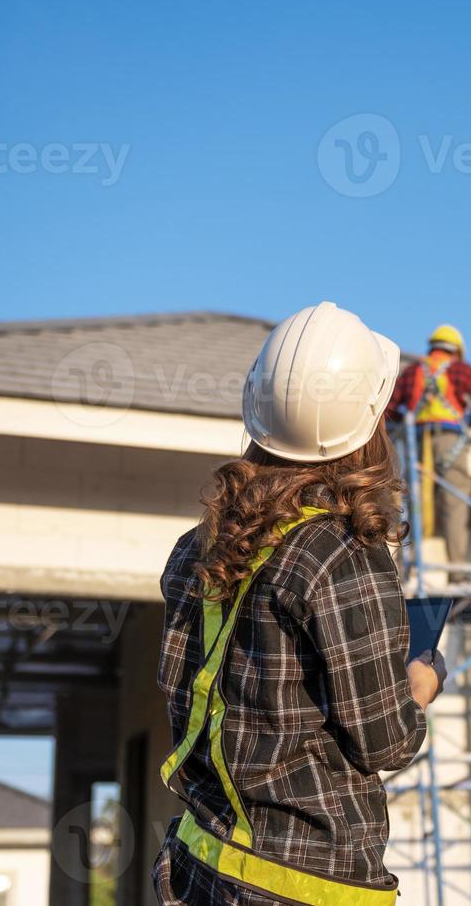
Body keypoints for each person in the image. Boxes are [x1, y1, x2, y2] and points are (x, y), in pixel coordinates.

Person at [154, 302, 447, 906]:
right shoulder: (341, 551)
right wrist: (419, 683)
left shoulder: (196, 547)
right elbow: (385, 740)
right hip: (304, 880)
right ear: (369, 424)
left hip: (199, 864)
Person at [387, 324, 471, 580]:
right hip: (451, 442)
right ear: (456, 350)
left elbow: (390, 409)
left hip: (416, 444)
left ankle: (408, 570)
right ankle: (456, 573)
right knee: (455, 505)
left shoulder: (414, 370)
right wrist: (469, 420)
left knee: (415, 504)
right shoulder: (460, 370)